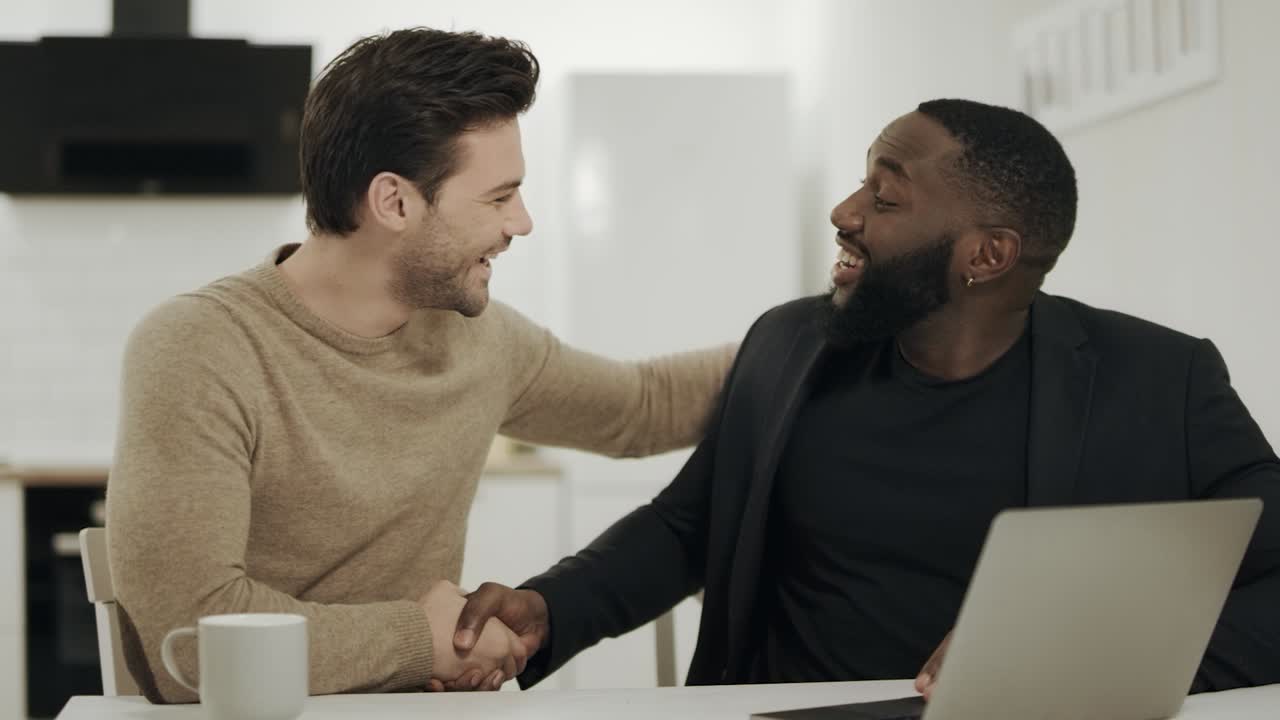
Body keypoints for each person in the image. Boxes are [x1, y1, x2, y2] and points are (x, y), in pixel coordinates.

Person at [449, 98, 1280, 695]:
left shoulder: (1159, 382)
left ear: (987, 256)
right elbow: (689, 527)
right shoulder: (789, 343)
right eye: (860, 184)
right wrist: (549, 607)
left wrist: (1090, 658)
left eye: (885, 199)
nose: (844, 212)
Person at [106, 27, 734, 704]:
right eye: (498, 197)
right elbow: (190, 638)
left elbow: (642, 407)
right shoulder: (202, 347)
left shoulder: (480, 341)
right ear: (394, 202)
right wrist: (417, 640)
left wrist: (826, 329)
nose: (521, 223)